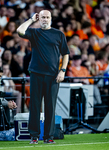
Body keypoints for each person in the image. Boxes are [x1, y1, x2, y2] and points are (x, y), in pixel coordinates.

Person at [17, 10, 69, 144]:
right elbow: (20, 31)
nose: (45, 19)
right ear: (39, 19)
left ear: (51, 18)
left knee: (50, 106)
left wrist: (62, 70)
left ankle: (49, 137)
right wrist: (31, 20)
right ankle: (34, 136)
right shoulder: (34, 32)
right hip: (36, 74)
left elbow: (65, 54)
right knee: (34, 105)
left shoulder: (58, 34)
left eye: (47, 17)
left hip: (53, 76)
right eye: (42, 17)